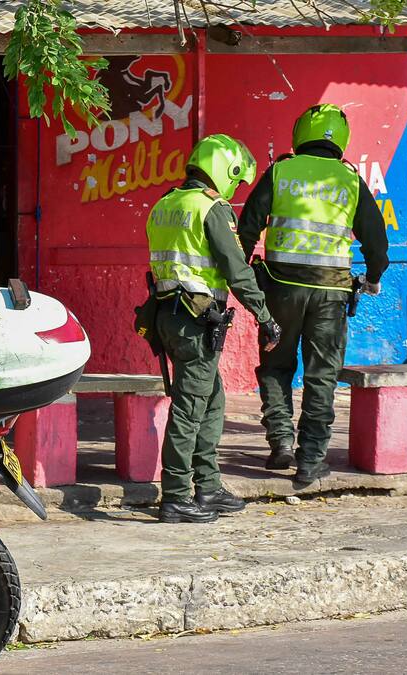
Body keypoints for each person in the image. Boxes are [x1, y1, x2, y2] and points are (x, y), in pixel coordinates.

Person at [238, 104, 389, 487]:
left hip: (280, 290)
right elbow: (377, 243)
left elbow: (248, 226)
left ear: (300, 133)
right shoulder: (349, 179)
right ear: (341, 138)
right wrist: (372, 278)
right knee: (321, 376)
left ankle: (280, 444)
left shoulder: (281, 171)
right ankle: (311, 459)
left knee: (276, 366)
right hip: (331, 295)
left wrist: (241, 274)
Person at [145, 134, 283, 524]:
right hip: (196, 320)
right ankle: (176, 496)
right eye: (235, 179)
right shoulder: (212, 208)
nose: (233, 188)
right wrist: (265, 316)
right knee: (190, 409)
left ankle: (208, 486)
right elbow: (236, 270)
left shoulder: (165, 203)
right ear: (224, 170)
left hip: (168, 316)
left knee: (212, 400)